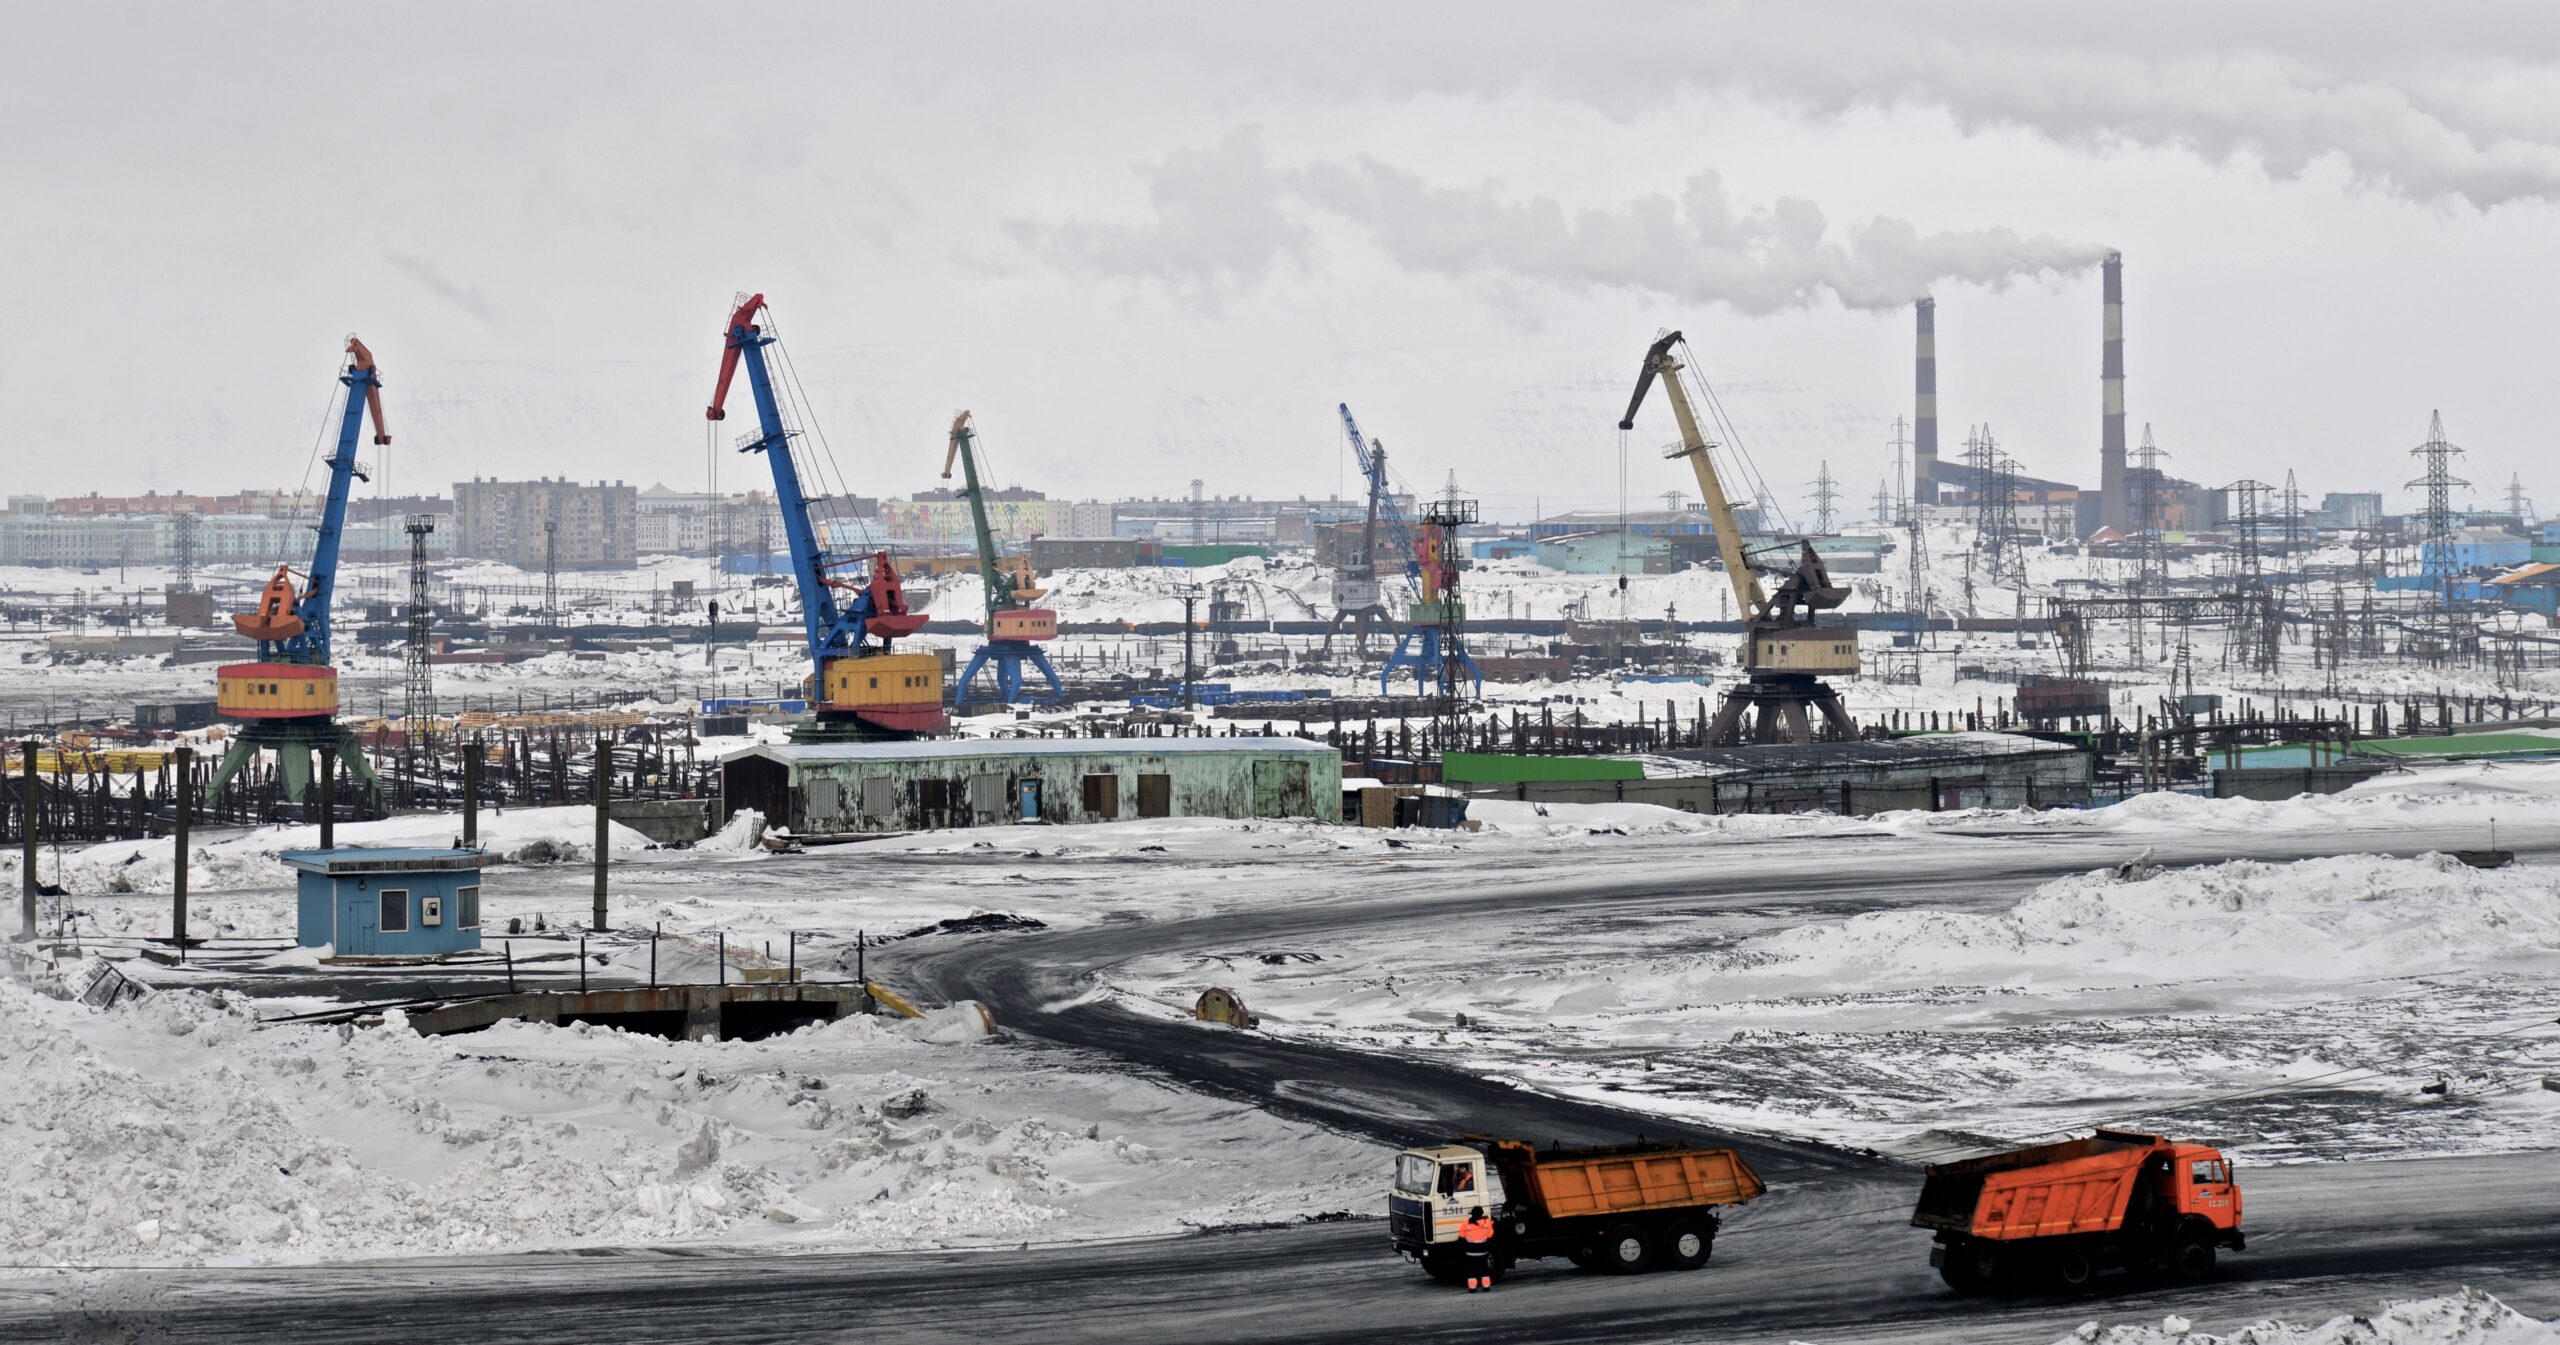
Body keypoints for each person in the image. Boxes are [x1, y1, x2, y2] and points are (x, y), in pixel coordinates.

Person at [1459, 1207, 1496, 1291]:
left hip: (1471, 1252)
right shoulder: (1487, 1222)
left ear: (1472, 1213)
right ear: (1481, 1213)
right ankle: (1486, 1287)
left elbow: (1461, 1235)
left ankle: (1472, 1288)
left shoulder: (1466, 1222)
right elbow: (1490, 1235)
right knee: (1484, 1270)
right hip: (1483, 1251)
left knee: (1471, 1270)